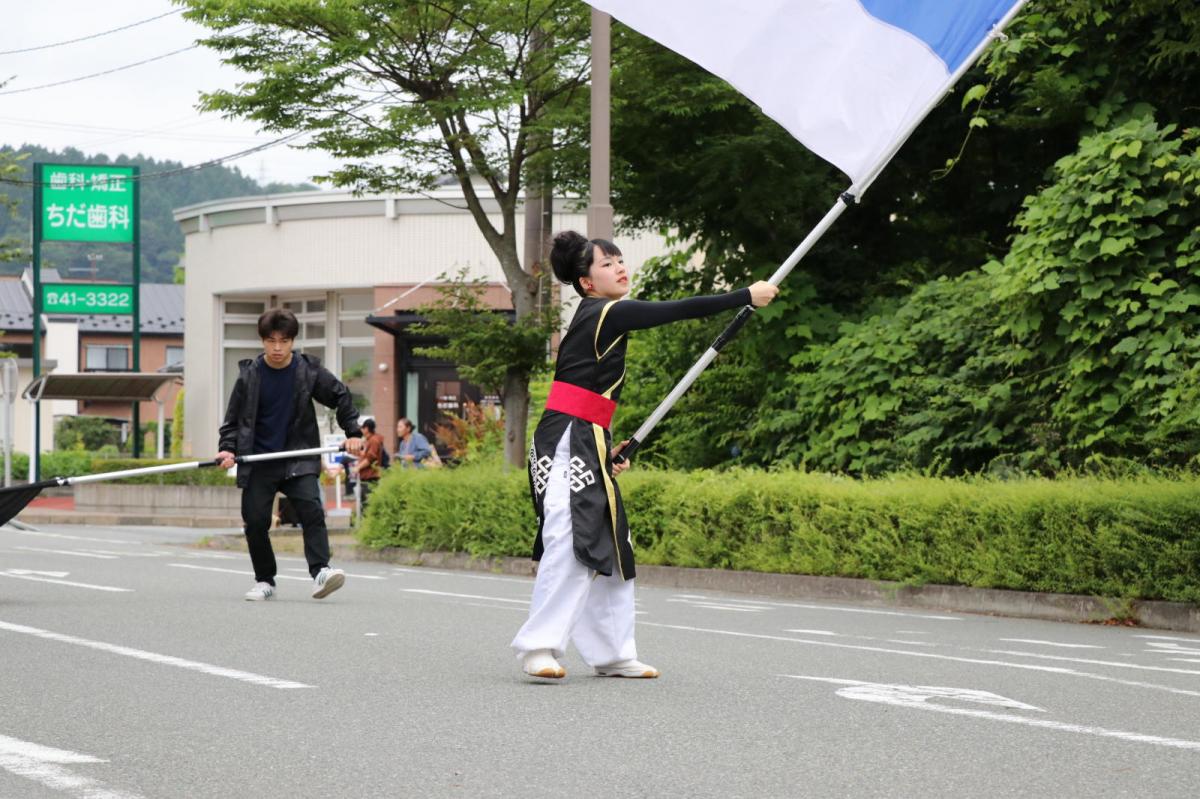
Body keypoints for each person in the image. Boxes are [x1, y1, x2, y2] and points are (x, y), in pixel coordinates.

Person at [511, 231, 779, 680]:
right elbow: (674, 311)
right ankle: (538, 645)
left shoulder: (598, 315)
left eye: (619, 258)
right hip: (566, 439)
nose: (619, 266)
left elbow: (590, 397)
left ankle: (612, 653)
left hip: (586, 436)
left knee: (614, 544)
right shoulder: (605, 312)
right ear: (587, 283)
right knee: (573, 537)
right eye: (605, 263)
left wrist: (604, 446)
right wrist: (743, 296)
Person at [217, 308, 364, 601]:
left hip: (298, 457)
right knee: (256, 521)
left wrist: (354, 434)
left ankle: (321, 571)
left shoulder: (307, 371)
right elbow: (233, 420)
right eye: (271, 341)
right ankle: (264, 580)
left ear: (292, 341)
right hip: (259, 460)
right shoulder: (250, 376)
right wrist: (227, 448)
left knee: (311, 510)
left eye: (284, 341)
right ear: (262, 341)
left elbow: (340, 395)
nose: (277, 348)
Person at [354, 418, 385, 510]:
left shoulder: (373, 440)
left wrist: (358, 467)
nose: (361, 430)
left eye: (362, 428)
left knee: (368, 504)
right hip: (367, 476)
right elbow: (367, 456)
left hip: (371, 477)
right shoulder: (369, 440)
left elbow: (370, 458)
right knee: (365, 504)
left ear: (366, 428)